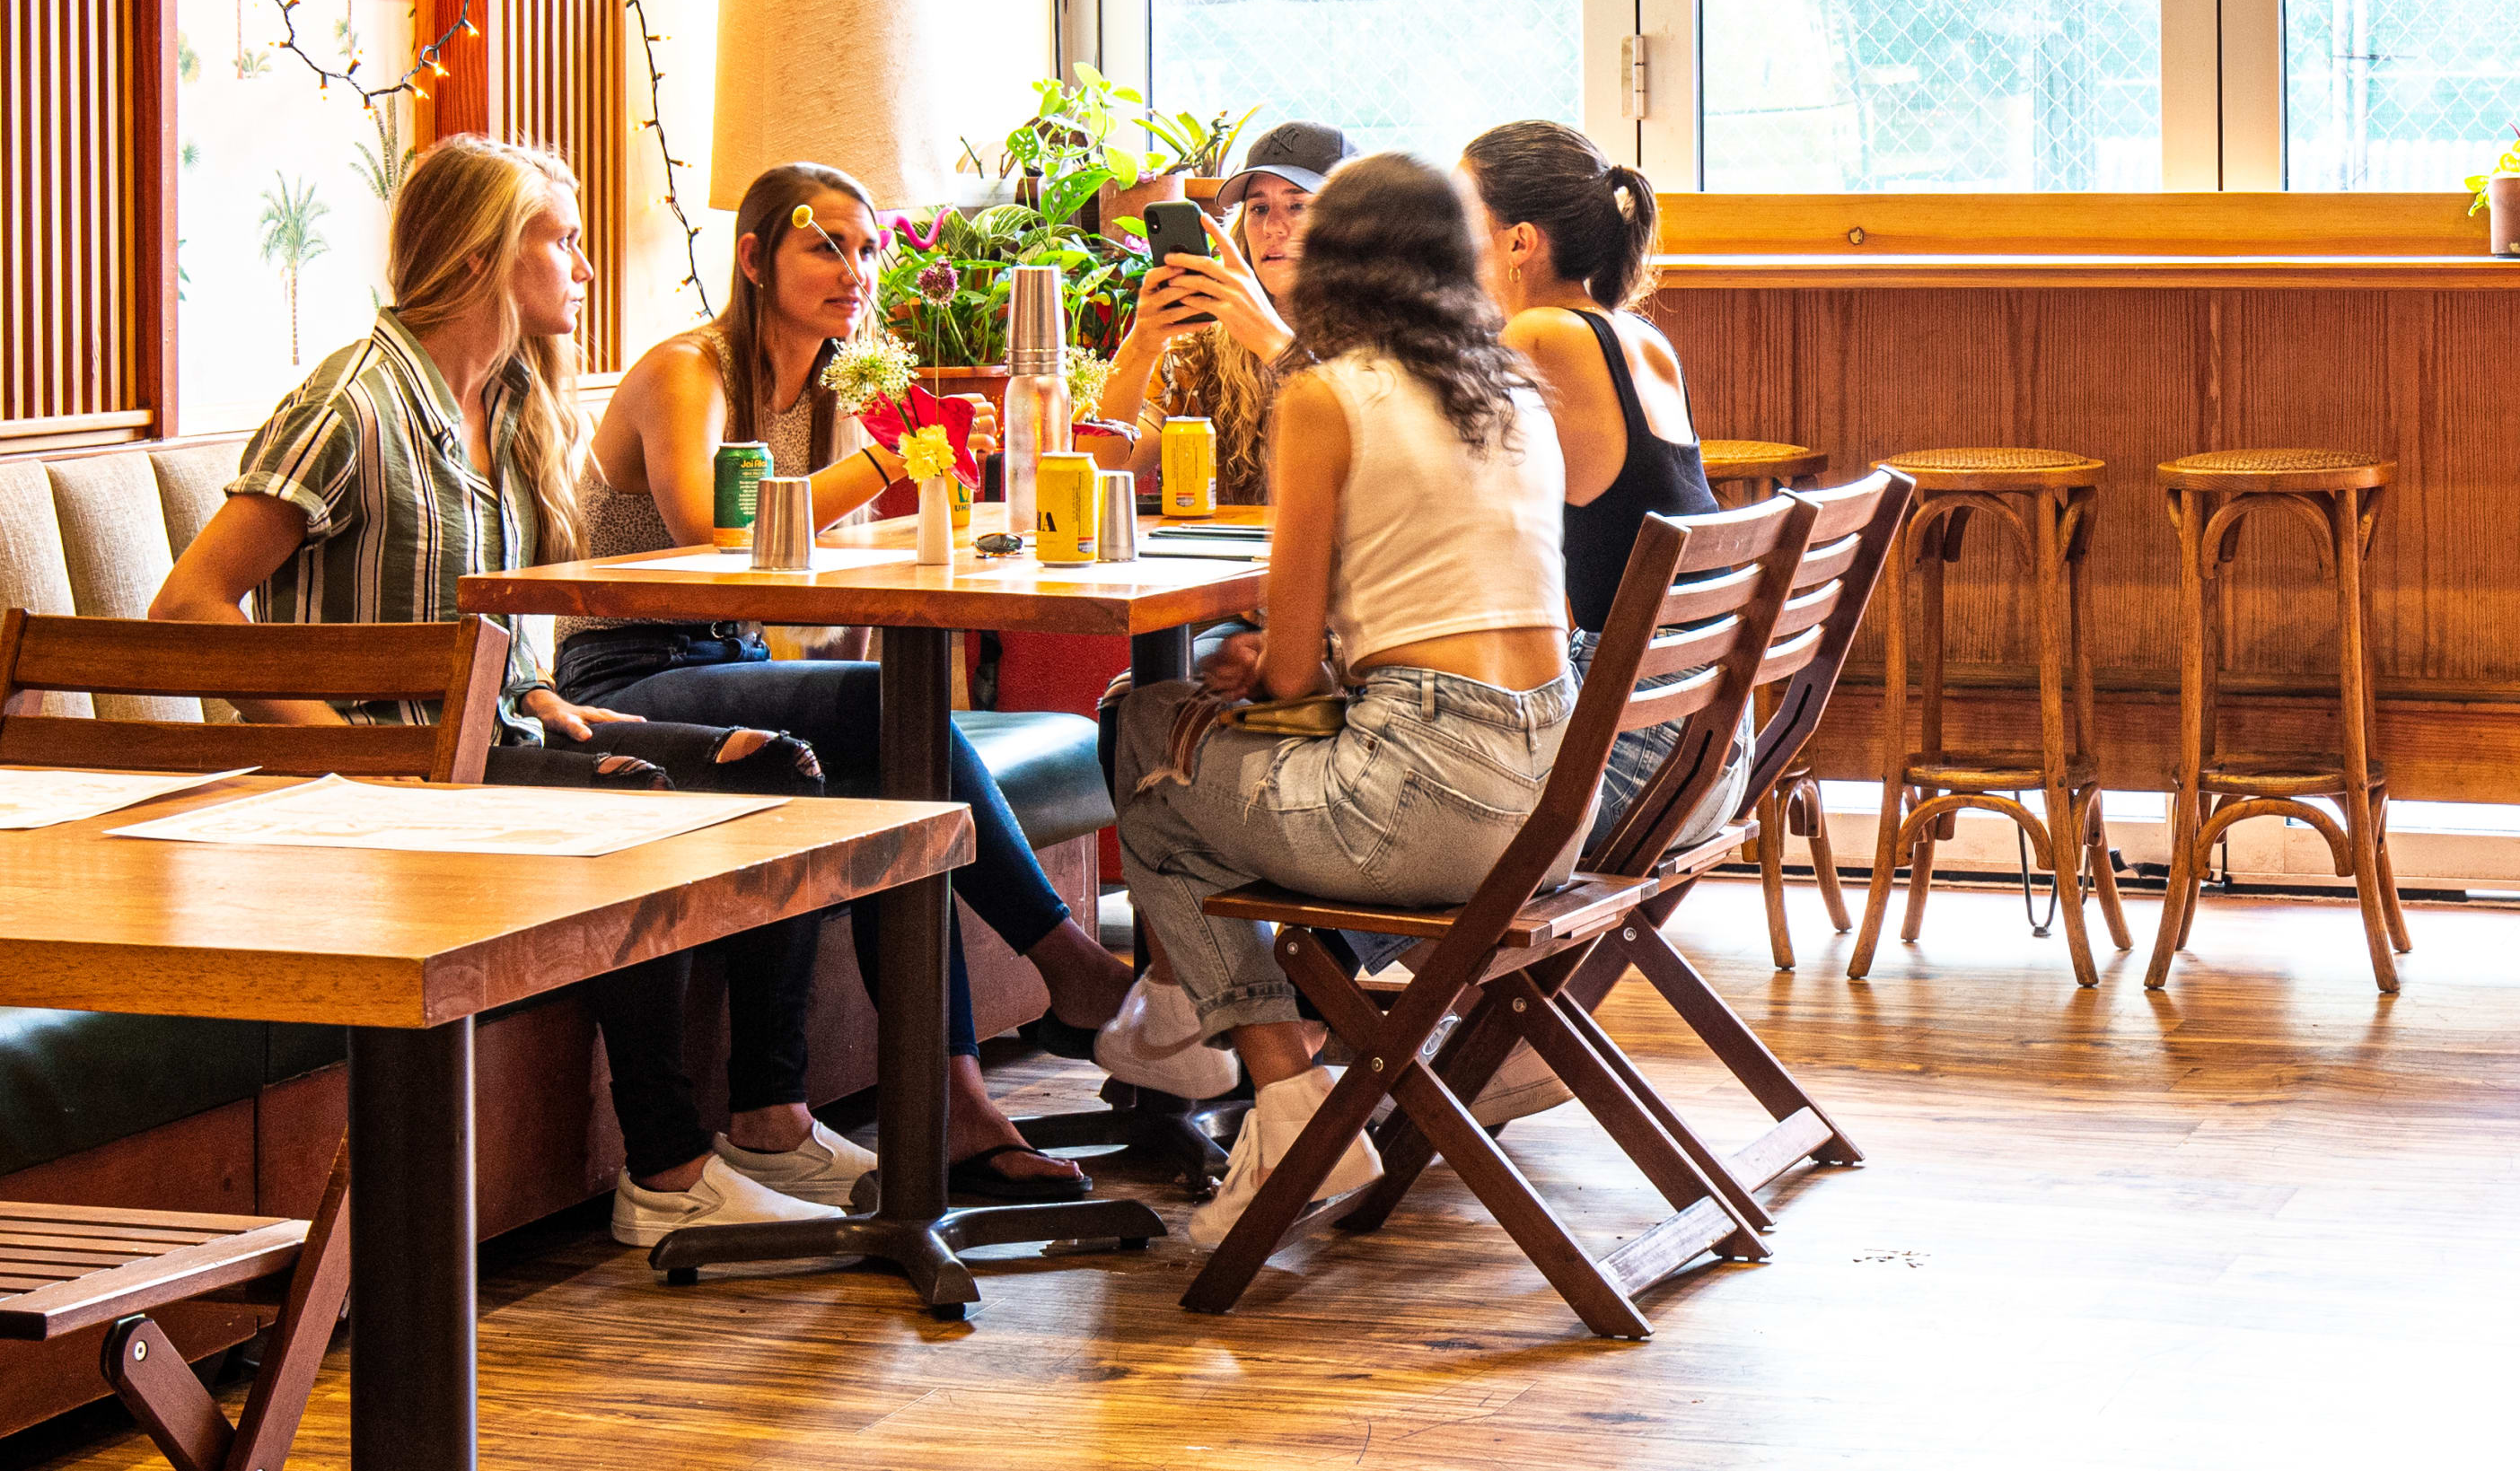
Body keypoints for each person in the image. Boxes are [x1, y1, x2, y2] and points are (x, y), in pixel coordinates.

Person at [149, 137, 864, 1248]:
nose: (583, 266)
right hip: (392, 771)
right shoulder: (354, 403)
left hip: (487, 737)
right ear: (485, 253)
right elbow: (190, 607)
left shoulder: (518, 400)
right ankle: (665, 1167)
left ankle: (769, 1117)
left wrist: (536, 692)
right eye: (561, 240)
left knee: (781, 769)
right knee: (633, 799)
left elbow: (483, 619)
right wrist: (348, 760)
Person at [564, 162, 1141, 1203]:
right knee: (884, 717)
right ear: (752, 259)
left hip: (731, 667)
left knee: (889, 766)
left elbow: (831, 557)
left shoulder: (837, 384)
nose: (854, 270)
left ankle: (951, 1102)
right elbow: (710, 533)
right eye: (823, 245)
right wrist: (890, 460)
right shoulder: (689, 370)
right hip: (627, 677)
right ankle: (1067, 959)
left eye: (868, 248)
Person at [1108, 152, 1572, 1245]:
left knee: (1146, 741)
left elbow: (1290, 673)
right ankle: (1200, 1037)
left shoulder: (1325, 392)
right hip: (1552, 806)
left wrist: (1262, 663)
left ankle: (1272, 1087)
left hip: (1424, 808)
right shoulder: (1513, 388)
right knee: (1194, 750)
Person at [1463, 118, 1740, 854]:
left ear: (1520, 242)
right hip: (1705, 752)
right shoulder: (1639, 337)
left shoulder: (1541, 338)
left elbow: (1434, 490)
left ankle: (1302, 966)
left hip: (1624, 761)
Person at [1082, 118, 1346, 496]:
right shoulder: (1201, 347)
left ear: (1351, 224)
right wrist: (1141, 345)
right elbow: (1098, 471)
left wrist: (1274, 344)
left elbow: (1373, 458)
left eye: (1298, 205)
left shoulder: (1388, 339)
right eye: (1258, 208)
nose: (1273, 227)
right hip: (1228, 553)